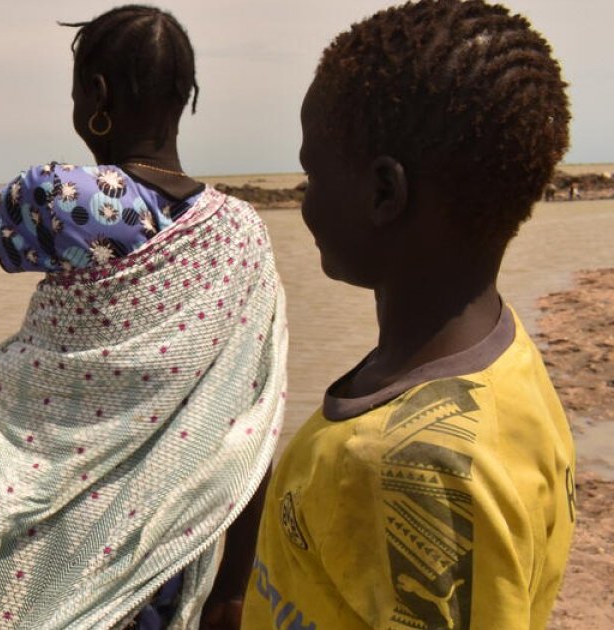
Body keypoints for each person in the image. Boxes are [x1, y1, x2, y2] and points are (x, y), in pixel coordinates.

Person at [0, 5, 288, 628]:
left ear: (94, 95)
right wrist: (232, 595)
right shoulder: (241, 232)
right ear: (185, 98)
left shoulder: (69, 196)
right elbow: (250, 427)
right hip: (166, 559)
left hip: (41, 547)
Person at [243, 2, 576, 629]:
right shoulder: (507, 363)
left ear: (383, 193)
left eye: (312, 173)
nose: (304, 200)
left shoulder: (399, 467)